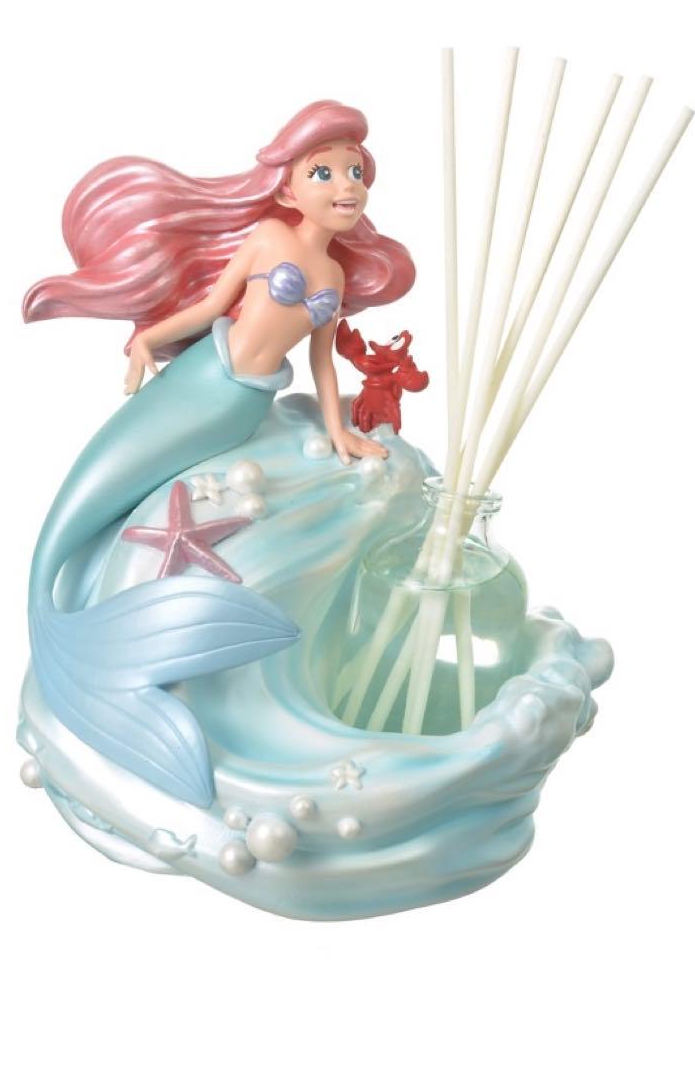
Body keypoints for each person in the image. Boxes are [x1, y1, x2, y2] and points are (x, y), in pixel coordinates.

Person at [21, 101, 415, 800]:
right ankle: (54, 607)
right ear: (287, 189)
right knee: (107, 485)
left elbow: (322, 363)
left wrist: (340, 431)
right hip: (205, 379)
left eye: (356, 173)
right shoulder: (268, 236)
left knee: (148, 491)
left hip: (244, 406)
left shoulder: (332, 278)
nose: (346, 186)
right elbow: (212, 309)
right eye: (324, 171)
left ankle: (104, 634)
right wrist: (148, 339)